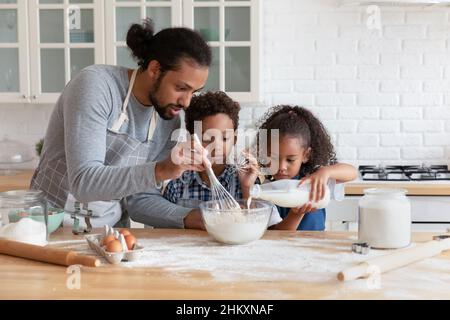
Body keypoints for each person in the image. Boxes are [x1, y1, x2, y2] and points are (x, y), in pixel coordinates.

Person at [31, 18, 212, 228]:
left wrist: (191, 217)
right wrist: (161, 170)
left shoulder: (167, 120)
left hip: (111, 232)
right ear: (155, 70)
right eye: (181, 88)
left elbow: (139, 201)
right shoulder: (96, 86)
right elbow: (83, 183)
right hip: (52, 224)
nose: (186, 102)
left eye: (193, 92)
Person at [162, 91, 283, 229]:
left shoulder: (243, 180)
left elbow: (266, 227)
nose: (217, 146)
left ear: (235, 140)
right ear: (192, 140)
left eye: (225, 138)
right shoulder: (177, 184)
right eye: (207, 138)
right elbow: (162, 229)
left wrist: (247, 187)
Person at [256, 105, 358, 231]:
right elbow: (277, 234)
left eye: (290, 160)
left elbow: (352, 173)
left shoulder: (315, 178)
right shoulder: (266, 192)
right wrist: (295, 215)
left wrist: (326, 172)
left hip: (316, 247)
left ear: (306, 155)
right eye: (274, 158)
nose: (281, 167)